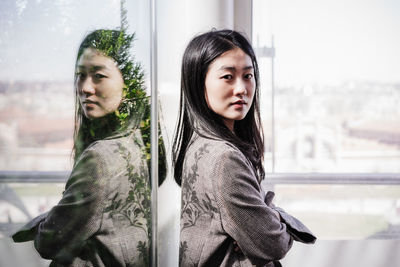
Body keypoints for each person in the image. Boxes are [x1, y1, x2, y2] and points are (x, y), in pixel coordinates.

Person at [12, 29, 166, 266]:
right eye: (80, 75)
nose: (85, 87)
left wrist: (44, 223)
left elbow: (49, 242)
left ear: (129, 82)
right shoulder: (138, 140)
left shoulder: (99, 160)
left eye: (98, 75)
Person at [172, 29, 316, 267]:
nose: (241, 89)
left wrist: (263, 218)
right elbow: (273, 244)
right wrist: (273, 217)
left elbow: (261, 232)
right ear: (199, 83)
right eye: (228, 77)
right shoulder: (224, 159)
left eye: (247, 76)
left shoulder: (199, 143)